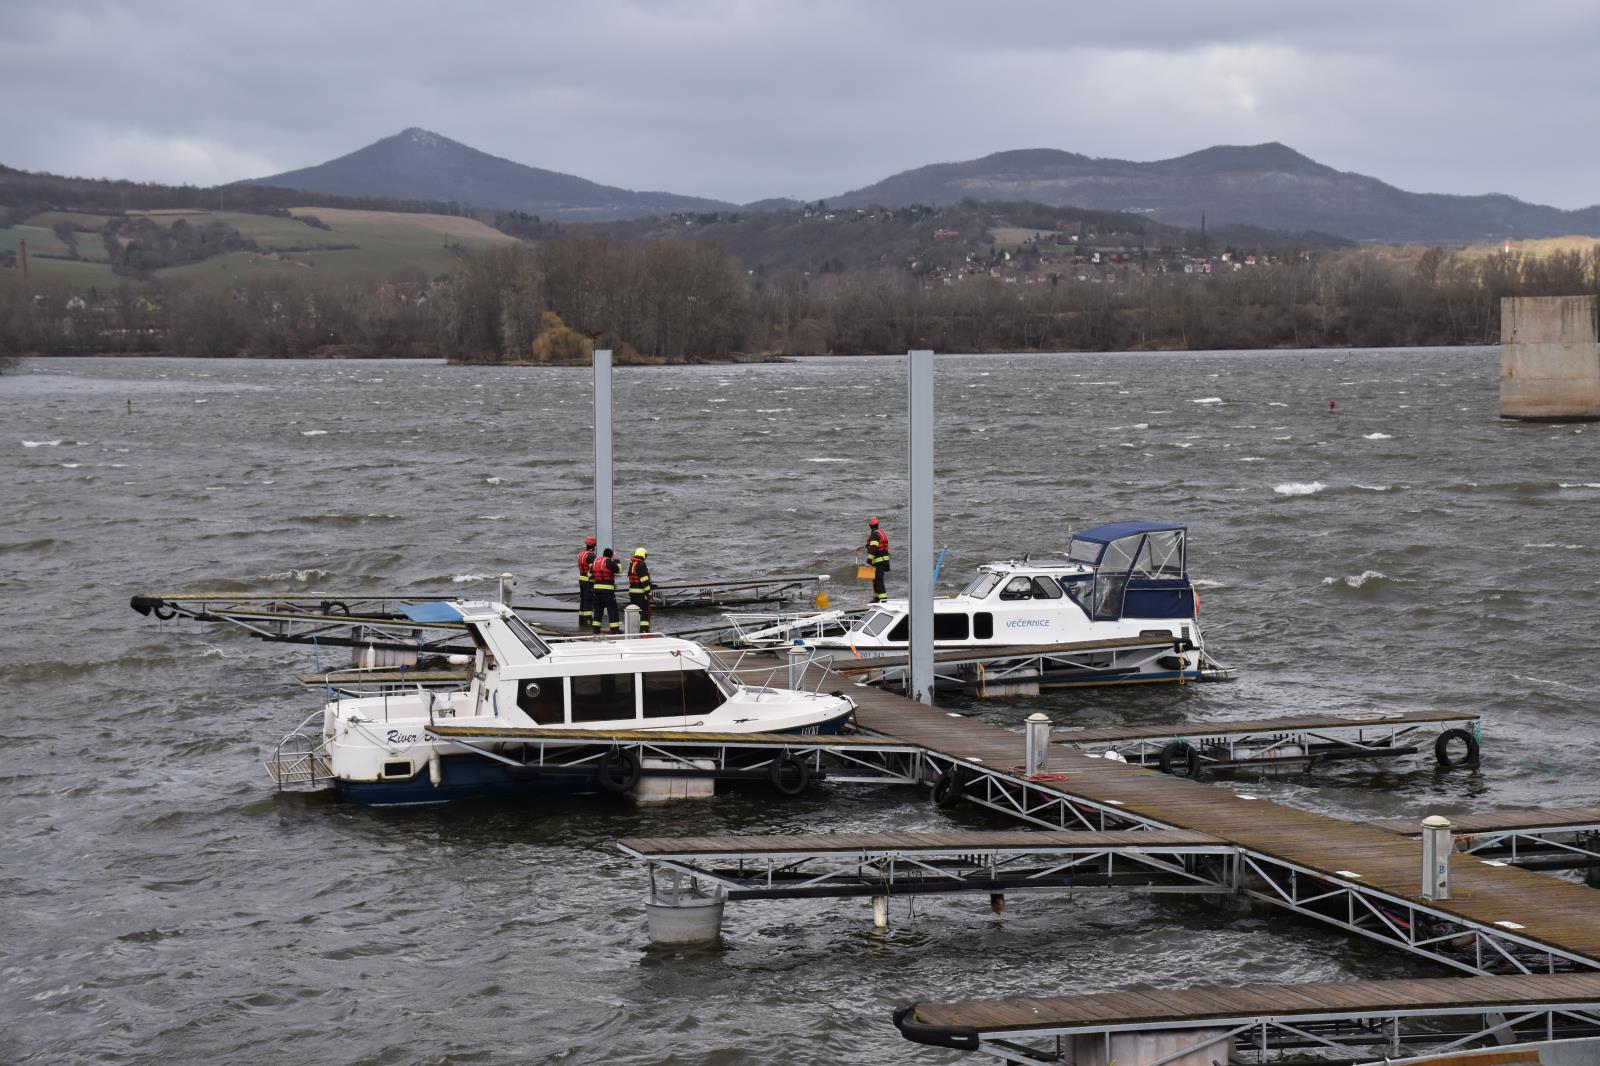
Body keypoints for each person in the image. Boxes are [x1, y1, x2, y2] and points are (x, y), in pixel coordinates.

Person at [591, 548, 620, 634]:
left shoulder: (596, 562)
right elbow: (619, 570)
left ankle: (595, 630)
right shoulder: (609, 562)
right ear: (611, 556)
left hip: (596, 590)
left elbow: (590, 574)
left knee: (598, 610)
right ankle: (615, 630)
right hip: (607, 591)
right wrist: (617, 560)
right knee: (612, 610)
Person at [865, 516, 891, 603]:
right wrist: (864, 546)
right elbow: (875, 545)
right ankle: (876, 599)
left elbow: (874, 549)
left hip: (879, 562)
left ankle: (883, 601)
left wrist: (868, 562)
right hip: (883, 561)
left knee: (879, 581)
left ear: (870, 526)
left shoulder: (874, 535)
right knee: (875, 581)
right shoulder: (879, 533)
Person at [628, 547, 653, 632]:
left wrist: (650, 584)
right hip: (640, 593)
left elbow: (635, 578)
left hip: (632, 592)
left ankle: (634, 629)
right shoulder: (641, 564)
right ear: (643, 555)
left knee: (635, 611)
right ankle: (644, 630)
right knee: (644, 612)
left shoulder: (632, 564)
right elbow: (644, 580)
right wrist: (648, 591)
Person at [576, 535, 597, 632]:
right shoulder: (591, 555)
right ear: (594, 545)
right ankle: (588, 620)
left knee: (583, 600)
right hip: (588, 581)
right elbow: (592, 570)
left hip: (581, 579)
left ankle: (581, 620)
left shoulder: (581, 553)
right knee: (589, 600)